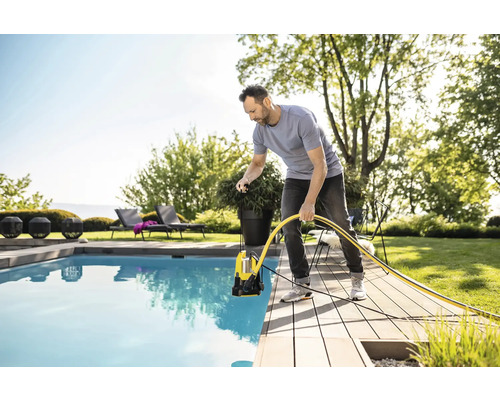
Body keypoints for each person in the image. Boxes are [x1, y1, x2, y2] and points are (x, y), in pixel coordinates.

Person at [236, 84, 366, 302]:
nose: (251, 117)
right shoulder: (260, 132)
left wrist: (309, 202)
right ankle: (301, 284)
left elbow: (320, 165)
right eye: (248, 112)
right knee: (288, 225)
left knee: (342, 224)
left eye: (253, 111)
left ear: (266, 102)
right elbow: (258, 163)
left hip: (328, 173)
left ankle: (357, 278)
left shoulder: (300, 118)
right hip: (296, 176)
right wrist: (246, 177)